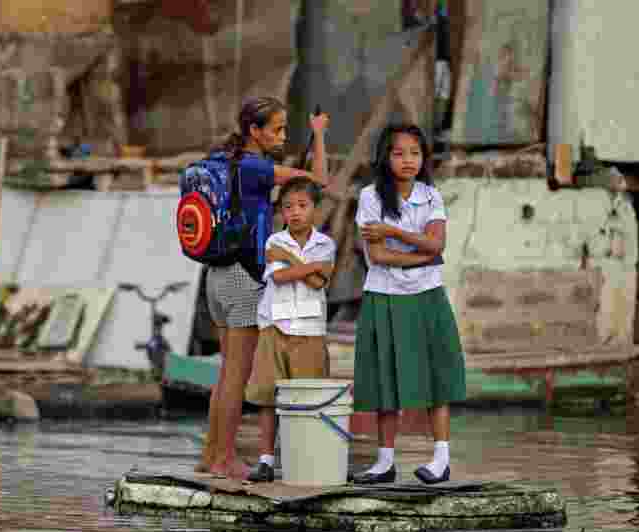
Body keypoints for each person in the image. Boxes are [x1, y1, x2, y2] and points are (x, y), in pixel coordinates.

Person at [195, 97, 331, 480]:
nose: (283, 136)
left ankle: (210, 455)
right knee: (237, 375)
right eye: (277, 129)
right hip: (243, 276)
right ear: (254, 131)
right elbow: (319, 180)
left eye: (286, 129)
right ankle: (224, 459)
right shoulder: (256, 166)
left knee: (225, 374)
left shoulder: (221, 159)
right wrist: (318, 135)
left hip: (216, 275)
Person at [351, 123, 466, 485]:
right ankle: (384, 462)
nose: (407, 161)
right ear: (385, 157)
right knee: (386, 379)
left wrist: (395, 233)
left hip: (427, 294)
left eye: (415, 153)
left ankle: (441, 459)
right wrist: (422, 253)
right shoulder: (370, 197)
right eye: (399, 153)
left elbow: (437, 245)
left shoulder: (432, 196)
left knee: (437, 377)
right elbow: (380, 256)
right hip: (384, 294)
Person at [243, 177, 336, 483]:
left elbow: (317, 283)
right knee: (269, 395)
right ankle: (267, 461)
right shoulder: (274, 242)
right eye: (287, 207)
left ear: (315, 210)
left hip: (310, 329)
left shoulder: (326, 244)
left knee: (307, 397)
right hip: (275, 326)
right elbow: (282, 279)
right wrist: (310, 266)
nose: (294, 212)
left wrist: (293, 261)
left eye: (302, 206)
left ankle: (306, 460)